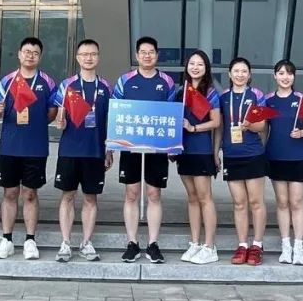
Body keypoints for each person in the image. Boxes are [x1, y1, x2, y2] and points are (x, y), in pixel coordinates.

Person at [0, 37, 57, 260]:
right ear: (19, 54)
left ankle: (30, 240)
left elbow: (52, 112)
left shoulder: (47, 82)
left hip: (35, 148)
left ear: (40, 56)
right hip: (10, 147)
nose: (30, 56)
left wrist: (36, 124)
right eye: (27, 51)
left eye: (35, 53)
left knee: (30, 193)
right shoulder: (7, 81)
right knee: (9, 193)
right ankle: (6, 239)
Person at [112, 36, 176, 263]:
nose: (147, 56)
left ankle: (152, 244)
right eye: (143, 52)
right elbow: (115, 112)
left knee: (154, 194)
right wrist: (111, 147)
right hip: (129, 145)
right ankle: (132, 243)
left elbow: (172, 115)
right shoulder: (124, 81)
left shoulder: (167, 82)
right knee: (131, 193)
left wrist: (172, 146)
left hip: (157, 147)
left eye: (151, 52)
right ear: (136, 55)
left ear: (157, 55)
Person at [50, 39, 112, 262]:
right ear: (77, 58)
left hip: (95, 151)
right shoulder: (66, 86)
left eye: (93, 54)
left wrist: (109, 150)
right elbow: (59, 115)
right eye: (84, 54)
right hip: (70, 150)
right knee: (67, 196)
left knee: (90, 198)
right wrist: (60, 121)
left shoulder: (106, 88)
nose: (88, 58)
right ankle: (65, 242)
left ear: (98, 57)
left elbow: (110, 121)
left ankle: (86, 242)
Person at [217, 57, 269, 266]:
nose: (240, 74)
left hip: (253, 153)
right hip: (231, 155)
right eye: (236, 71)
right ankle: (242, 245)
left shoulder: (257, 95)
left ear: (249, 75)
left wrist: (249, 125)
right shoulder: (223, 97)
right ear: (230, 74)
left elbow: (262, 126)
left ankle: (257, 245)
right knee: (239, 203)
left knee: (256, 202)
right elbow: (220, 127)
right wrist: (215, 152)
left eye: (244, 71)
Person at [263, 59, 303, 266]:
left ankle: (298, 247)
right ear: (275, 76)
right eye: (281, 73)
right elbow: (263, 129)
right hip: (276, 156)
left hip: (298, 157)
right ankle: (286, 246)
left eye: (289, 73)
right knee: (282, 202)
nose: (285, 77)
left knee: (296, 202)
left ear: (294, 77)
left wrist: (301, 132)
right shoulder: (268, 101)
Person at [174, 50, 222, 265]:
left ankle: (209, 246)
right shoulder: (180, 92)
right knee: (192, 198)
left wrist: (193, 128)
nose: (195, 67)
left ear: (206, 68)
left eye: (200, 64)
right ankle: (194, 243)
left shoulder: (210, 93)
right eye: (192, 63)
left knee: (205, 198)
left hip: (201, 150)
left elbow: (216, 122)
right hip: (184, 151)